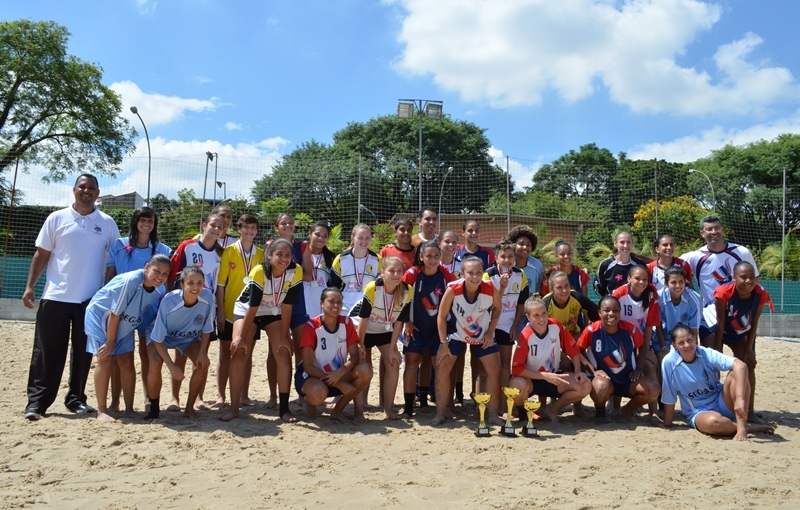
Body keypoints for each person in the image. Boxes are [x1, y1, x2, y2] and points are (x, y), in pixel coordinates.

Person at [22, 174, 121, 421]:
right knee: (47, 352)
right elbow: (42, 254)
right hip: (55, 297)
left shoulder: (107, 223)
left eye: (91, 188)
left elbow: (113, 261)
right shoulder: (57, 218)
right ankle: (37, 403)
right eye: (82, 187)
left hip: (90, 301)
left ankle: (76, 399)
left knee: (84, 352)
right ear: (74, 190)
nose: (86, 191)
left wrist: (107, 292)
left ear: (98, 192)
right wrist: (30, 286)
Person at [219, 238, 303, 422]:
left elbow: (288, 306)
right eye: (279, 254)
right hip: (247, 309)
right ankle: (234, 409)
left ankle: (284, 409)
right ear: (269, 255)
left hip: (274, 309)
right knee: (239, 352)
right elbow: (253, 307)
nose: (283, 258)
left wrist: (283, 337)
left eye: (287, 255)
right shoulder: (259, 271)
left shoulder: (296, 271)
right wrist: (240, 337)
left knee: (282, 352)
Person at [85, 254, 170, 422]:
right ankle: (101, 411)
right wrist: (110, 342)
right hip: (103, 317)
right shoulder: (132, 280)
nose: (160, 277)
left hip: (126, 321)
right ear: (146, 268)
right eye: (157, 271)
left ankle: (129, 409)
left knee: (127, 361)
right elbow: (115, 313)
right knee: (106, 358)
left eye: (165, 274)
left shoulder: (159, 290)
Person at [655, 324, 774, 439]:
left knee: (736, 374)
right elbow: (669, 394)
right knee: (714, 423)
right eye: (681, 343)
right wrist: (667, 423)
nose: (687, 345)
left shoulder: (705, 353)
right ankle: (749, 428)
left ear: (695, 339)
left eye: (690, 340)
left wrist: (740, 400)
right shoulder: (669, 362)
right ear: (674, 346)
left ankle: (742, 427)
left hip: (721, 400)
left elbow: (740, 365)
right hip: (698, 410)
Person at [105, 206, 171, 411]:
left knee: (147, 355)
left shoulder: (163, 250)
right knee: (119, 356)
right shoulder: (119, 245)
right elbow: (110, 276)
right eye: (142, 220)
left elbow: (166, 284)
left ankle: (147, 398)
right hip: (122, 308)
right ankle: (116, 402)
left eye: (150, 221)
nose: (146, 224)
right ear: (135, 222)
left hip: (150, 308)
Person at [435, 256, 503, 426]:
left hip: (482, 334)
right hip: (456, 333)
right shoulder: (453, 289)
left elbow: (497, 309)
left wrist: (490, 333)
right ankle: (441, 413)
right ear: (462, 274)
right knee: (442, 367)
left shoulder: (490, 289)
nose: (474, 276)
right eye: (470, 272)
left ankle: (493, 415)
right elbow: (441, 317)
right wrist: (443, 344)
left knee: (494, 370)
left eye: (478, 272)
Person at [167, 213, 224, 411]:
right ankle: (174, 398)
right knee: (180, 354)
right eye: (213, 225)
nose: (216, 229)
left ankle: (199, 397)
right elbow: (172, 274)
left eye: (220, 227)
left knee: (202, 354)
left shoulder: (220, 253)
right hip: (184, 309)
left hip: (208, 309)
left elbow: (219, 285)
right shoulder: (187, 246)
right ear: (204, 225)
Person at [143, 265, 213, 420]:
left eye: (199, 283)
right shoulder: (169, 301)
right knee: (155, 361)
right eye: (191, 283)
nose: (195, 287)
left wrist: (202, 353)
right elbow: (158, 339)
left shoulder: (208, 297)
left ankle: (189, 408)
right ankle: (154, 410)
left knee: (202, 364)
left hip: (187, 338)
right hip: (162, 336)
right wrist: (171, 365)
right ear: (182, 284)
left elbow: (207, 329)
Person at [680, 215, 759, 348]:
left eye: (717, 228)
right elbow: (668, 265)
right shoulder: (695, 257)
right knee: (711, 361)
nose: (713, 232)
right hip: (711, 313)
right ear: (702, 233)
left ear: (722, 230)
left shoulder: (741, 252)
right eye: (709, 229)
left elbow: (755, 278)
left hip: (738, 311)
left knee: (746, 360)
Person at [508, 297, 591, 422]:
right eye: (536, 315)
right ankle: (522, 412)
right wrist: (544, 376)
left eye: (544, 313)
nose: (541, 319)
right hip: (532, 380)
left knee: (585, 385)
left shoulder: (556, 325)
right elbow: (516, 370)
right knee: (516, 385)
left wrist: (578, 371)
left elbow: (573, 349)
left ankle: (552, 409)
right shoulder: (525, 336)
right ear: (528, 317)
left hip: (555, 378)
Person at [296, 288, 373, 422]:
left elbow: (354, 356)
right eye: (331, 301)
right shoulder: (311, 326)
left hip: (338, 374)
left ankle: (338, 411)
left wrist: (340, 372)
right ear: (321, 303)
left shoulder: (347, 323)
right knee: (317, 393)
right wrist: (337, 384)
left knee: (365, 370)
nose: (336, 306)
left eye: (339, 302)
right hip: (313, 375)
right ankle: (310, 404)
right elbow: (308, 366)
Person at [577, 296, 659, 418]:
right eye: (607, 310)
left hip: (628, 379)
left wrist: (639, 368)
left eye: (615, 310)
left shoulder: (630, 328)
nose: (611, 314)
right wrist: (593, 371)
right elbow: (578, 351)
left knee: (653, 389)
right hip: (605, 380)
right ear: (599, 313)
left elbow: (642, 346)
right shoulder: (591, 330)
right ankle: (600, 412)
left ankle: (627, 410)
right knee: (600, 388)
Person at [354, 256, 413, 419]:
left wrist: (393, 348)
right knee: (362, 366)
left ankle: (388, 410)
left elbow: (400, 321)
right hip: (364, 331)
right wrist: (360, 346)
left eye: (399, 271)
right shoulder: (373, 288)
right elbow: (363, 320)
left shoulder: (408, 290)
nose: (396, 274)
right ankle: (359, 409)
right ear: (382, 272)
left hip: (385, 331)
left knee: (394, 363)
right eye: (391, 271)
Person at [713, 261, 772, 424]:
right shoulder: (723, 292)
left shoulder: (761, 294)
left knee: (748, 364)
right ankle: (713, 406)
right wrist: (717, 351)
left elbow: (754, 323)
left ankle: (749, 411)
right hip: (718, 330)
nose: (748, 281)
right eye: (743, 277)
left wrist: (749, 348)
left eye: (752, 277)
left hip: (740, 334)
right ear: (734, 278)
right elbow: (720, 324)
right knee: (712, 364)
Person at [214, 214, 263, 409]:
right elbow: (220, 284)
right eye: (246, 228)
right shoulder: (229, 252)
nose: (249, 231)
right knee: (225, 353)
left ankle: (244, 394)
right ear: (239, 229)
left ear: (257, 231)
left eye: (253, 228)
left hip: (252, 312)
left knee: (247, 353)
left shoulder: (261, 254)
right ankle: (220, 395)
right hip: (229, 310)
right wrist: (219, 311)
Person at [402, 240, 456, 417]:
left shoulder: (445, 274)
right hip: (415, 328)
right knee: (411, 364)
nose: (433, 259)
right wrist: (406, 322)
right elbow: (399, 297)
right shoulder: (412, 275)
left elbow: (458, 293)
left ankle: (437, 405)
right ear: (421, 257)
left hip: (436, 331)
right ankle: (409, 408)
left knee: (437, 365)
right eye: (429, 256)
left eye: (436, 256)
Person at [483, 241, 529, 388]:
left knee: (504, 365)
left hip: (507, 326)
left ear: (515, 259)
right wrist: (502, 288)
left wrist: (515, 326)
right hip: (488, 326)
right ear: (496, 258)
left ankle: (503, 404)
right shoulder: (488, 275)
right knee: (484, 367)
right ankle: (481, 404)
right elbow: (489, 304)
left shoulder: (520, 275)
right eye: (503, 256)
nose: (507, 260)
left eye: (510, 256)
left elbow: (522, 303)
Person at [331, 223, 381, 315]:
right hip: (345, 309)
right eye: (360, 238)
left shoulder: (377, 259)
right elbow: (333, 287)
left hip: (367, 308)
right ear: (352, 238)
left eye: (367, 238)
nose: (364, 241)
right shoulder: (341, 259)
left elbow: (379, 286)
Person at [542, 271, 599, 340]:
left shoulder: (577, 298)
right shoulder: (545, 304)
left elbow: (599, 318)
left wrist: (586, 333)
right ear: (551, 289)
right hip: (552, 340)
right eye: (559, 287)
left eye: (566, 285)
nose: (564, 290)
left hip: (573, 337)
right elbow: (539, 330)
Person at [301, 221, 336, 321]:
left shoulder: (331, 258)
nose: (320, 238)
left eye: (325, 236)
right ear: (310, 234)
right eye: (317, 234)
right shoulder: (300, 254)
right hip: (302, 304)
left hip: (321, 306)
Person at [595, 230, 647, 297]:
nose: (625, 245)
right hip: (614, 305)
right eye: (622, 242)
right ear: (615, 243)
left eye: (628, 242)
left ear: (632, 244)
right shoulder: (606, 264)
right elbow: (599, 287)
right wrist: (608, 301)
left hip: (635, 306)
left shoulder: (640, 264)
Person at [505, 225, 544, 297]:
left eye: (528, 244)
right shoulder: (507, 265)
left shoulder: (537, 265)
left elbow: (538, 290)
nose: (525, 247)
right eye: (521, 244)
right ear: (513, 245)